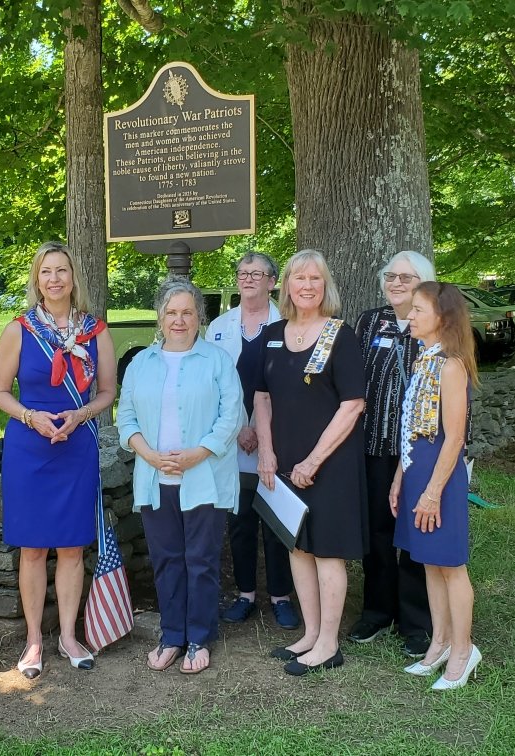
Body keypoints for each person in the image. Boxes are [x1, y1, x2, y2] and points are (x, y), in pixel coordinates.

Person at [0, 241, 117, 679]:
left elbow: (107, 392)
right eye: (46, 272)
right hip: (30, 449)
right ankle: (32, 641)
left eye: (62, 270)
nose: (55, 279)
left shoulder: (95, 331)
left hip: (75, 445)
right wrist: (31, 416)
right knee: (32, 548)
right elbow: (0, 392)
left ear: (73, 277)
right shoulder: (19, 330)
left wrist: (81, 414)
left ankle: (68, 635)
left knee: (70, 547)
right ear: (37, 279)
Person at [117, 278, 243, 675]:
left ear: (199, 317)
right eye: (172, 312)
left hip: (203, 477)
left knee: (201, 560)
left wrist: (197, 454)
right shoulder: (141, 363)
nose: (179, 320)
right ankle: (172, 635)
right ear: (160, 316)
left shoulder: (217, 360)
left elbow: (231, 414)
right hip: (155, 478)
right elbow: (126, 418)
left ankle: (198, 637)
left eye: (187, 312)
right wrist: (151, 456)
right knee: (167, 559)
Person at [254, 250, 368, 676]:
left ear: (326, 287)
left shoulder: (341, 335)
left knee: (326, 551)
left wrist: (314, 460)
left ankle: (329, 644)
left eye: (315, 279)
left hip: (329, 461)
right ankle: (310, 633)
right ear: (285, 285)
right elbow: (261, 396)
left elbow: (353, 404)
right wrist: (266, 450)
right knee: (298, 547)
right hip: (283, 459)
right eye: (299, 278)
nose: (306, 285)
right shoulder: (272, 333)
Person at [390, 282, 481, 690]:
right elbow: (411, 429)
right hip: (417, 471)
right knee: (428, 561)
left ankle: (464, 649)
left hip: (439, 478)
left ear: (442, 317)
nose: (409, 316)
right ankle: (440, 642)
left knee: (450, 565)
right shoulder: (422, 361)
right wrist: (400, 479)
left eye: (418, 310)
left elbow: (454, 437)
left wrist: (431, 492)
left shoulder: (450, 365)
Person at [348, 251, 437, 658]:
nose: (397, 282)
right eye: (391, 275)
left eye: (407, 276)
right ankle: (377, 610)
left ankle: (416, 619)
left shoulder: (435, 325)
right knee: (378, 531)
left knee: (415, 534)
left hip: (417, 450)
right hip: (373, 445)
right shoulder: (370, 321)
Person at [204, 253, 299, 630]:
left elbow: (288, 390)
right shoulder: (218, 327)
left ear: (273, 281)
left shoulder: (287, 325)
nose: (248, 279)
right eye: (243, 273)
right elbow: (214, 387)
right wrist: (239, 429)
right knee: (240, 520)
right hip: (232, 441)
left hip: (276, 439)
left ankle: (281, 596)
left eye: (256, 274)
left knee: (276, 520)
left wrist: (261, 431)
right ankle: (245, 594)